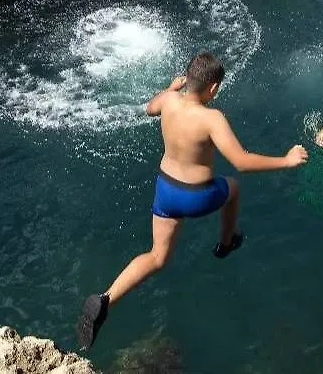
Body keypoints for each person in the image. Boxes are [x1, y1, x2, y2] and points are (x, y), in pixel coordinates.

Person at [74, 53, 308, 350]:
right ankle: (226, 243)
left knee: (157, 256)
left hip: (165, 190)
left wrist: (171, 89)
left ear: (187, 79)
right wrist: (286, 161)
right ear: (212, 88)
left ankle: (105, 299)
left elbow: (149, 109)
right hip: (196, 196)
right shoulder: (212, 118)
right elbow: (242, 162)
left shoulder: (169, 100)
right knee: (233, 188)